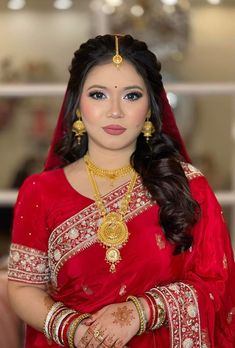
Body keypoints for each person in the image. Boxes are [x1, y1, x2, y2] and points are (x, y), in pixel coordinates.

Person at [7, 34, 235, 348]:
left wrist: (141, 312)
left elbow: (218, 284)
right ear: (77, 105)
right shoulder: (39, 192)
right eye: (98, 95)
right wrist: (75, 330)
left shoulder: (186, 186)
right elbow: (23, 288)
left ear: (150, 109)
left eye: (131, 96)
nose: (115, 111)